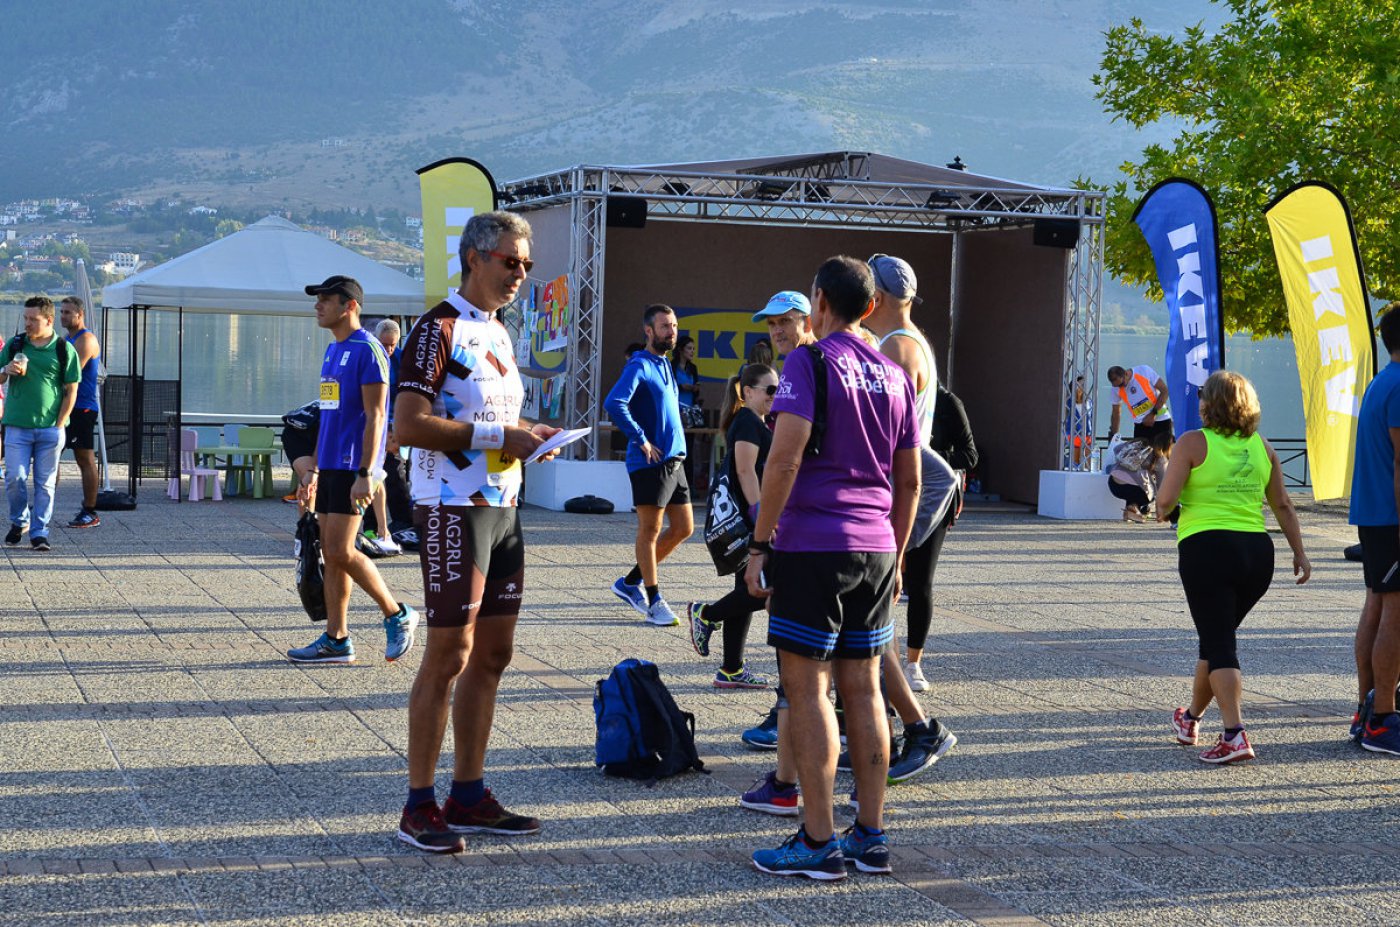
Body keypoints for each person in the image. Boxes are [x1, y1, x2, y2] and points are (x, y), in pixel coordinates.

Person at [746, 255, 920, 880]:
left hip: (814, 545)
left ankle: (817, 840)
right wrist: (897, 555)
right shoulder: (894, 373)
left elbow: (784, 459)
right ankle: (870, 835)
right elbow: (910, 480)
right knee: (866, 690)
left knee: (808, 690)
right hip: (877, 547)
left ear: (818, 300)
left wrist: (759, 545)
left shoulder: (808, 361)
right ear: (870, 307)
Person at [394, 210, 560, 854]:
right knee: (449, 656)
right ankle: (418, 805)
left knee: (493, 655)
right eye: (510, 261)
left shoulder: (498, 331)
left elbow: (492, 419)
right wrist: (500, 437)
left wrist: (531, 436)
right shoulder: (436, 329)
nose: (520, 273)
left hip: (502, 507)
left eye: (526, 264)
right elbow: (409, 426)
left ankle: (468, 794)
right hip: (450, 507)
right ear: (474, 257)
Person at [1154, 370, 1309, 763]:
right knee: (1215, 637)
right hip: (1257, 554)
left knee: (1220, 643)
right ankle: (1190, 718)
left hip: (1208, 549)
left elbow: (1165, 503)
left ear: (1210, 403)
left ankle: (1235, 734)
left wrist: (1163, 507)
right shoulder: (1262, 446)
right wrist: (1300, 553)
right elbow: (1282, 504)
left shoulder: (1192, 442)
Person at [858, 253, 959, 779]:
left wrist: (897, 543)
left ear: (874, 298)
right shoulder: (911, 340)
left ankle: (916, 730)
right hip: (895, 496)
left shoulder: (896, 348)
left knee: (874, 629)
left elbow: (887, 440)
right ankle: (885, 732)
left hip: (890, 498)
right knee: (872, 629)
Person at [288, 275, 418, 665]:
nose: (318, 306)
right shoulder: (334, 350)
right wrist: (312, 469)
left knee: (342, 550)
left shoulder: (369, 350)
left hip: (353, 467)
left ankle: (397, 613)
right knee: (332, 553)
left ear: (350, 306)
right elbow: (329, 415)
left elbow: (377, 415)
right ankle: (337, 638)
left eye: (326, 300)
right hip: (330, 465)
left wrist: (366, 472)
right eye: (317, 299)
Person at [687, 362, 778, 690]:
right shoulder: (748, 421)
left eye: (779, 389)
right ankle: (707, 614)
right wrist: (761, 516)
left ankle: (731, 669)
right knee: (769, 587)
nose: (775, 395)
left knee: (747, 587)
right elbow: (744, 470)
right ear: (748, 392)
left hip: (750, 518)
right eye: (770, 390)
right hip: (750, 519)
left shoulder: (757, 421)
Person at [604, 304, 693, 627]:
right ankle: (654, 600)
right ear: (648, 331)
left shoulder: (665, 364)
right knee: (650, 530)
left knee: (684, 528)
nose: (671, 332)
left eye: (674, 326)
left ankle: (630, 583)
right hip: (649, 462)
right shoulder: (639, 364)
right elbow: (614, 402)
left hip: (675, 461)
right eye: (665, 326)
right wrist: (640, 439)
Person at [1348, 308, 1400, 755]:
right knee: (1395, 613)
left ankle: (1367, 708)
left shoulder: (1381, 381)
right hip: (1391, 516)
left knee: (1378, 605)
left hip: (1373, 513)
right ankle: (1383, 718)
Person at [904, 384, 978, 687]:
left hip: (933, 499)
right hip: (895, 494)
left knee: (920, 582)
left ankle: (913, 664)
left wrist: (928, 455)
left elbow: (970, 456)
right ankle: (874, 659)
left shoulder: (947, 402)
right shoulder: (891, 393)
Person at [1, 297, 79, 551]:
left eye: (33, 319)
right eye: (25, 318)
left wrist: (60, 424)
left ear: (49, 320)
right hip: (17, 426)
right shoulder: (15, 344)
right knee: (14, 478)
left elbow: (71, 390)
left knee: (45, 484)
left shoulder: (63, 349)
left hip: (50, 428)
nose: (27, 324)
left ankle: (39, 532)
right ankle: (20, 520)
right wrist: (5, 370)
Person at [59, 296, 102, 528]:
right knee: (51, 454)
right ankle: (44, 503)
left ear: (80, 314)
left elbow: (69, 373)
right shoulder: (67, 339)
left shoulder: (86, 339)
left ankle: (90, 511)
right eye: (61, 312)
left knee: (84, 458)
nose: (63, 316)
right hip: (65, 405)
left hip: (82, 407)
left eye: (68, 312)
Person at [1106, 432, 1170, 523]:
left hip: (1113, 483)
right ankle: (1133, 508)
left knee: (1136, 485)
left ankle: (1132, 510)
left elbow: (1116, 449)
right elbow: (1162, 487)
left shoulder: (1139, 442)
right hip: (1133, 488)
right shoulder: (1161, 458)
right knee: (1150, 494)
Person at [1107, 363, 1172, 443]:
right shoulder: (1115, 389)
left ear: (1126, 374)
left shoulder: (1144, 371)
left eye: (1122, 384)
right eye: (1117, 386)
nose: (1121, 387)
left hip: (1161, 420)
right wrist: (1114, 436)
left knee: (1164, 451)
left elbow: (1164, 390)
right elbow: (1116, 413)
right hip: (1141, 425)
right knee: (1138, 451)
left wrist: (1153, 414)